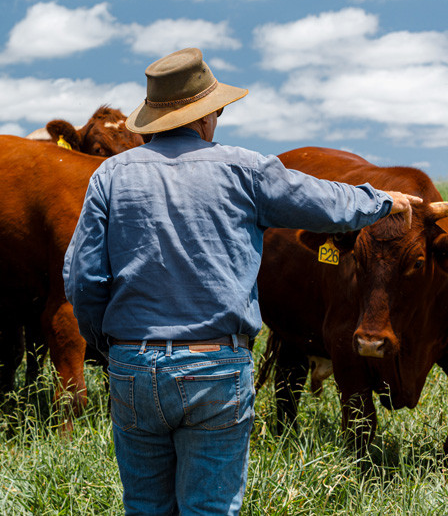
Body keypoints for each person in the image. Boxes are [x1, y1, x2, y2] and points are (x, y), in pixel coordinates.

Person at [63, 47, 420, 516]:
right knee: (211, 508)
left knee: (146, 506)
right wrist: (383, 201)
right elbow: (325, 203)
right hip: (215, 364)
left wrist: (111, 346)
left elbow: (82, 277)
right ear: (206, 115)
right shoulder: (244, 170)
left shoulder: (110, 176)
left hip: (134, 364)